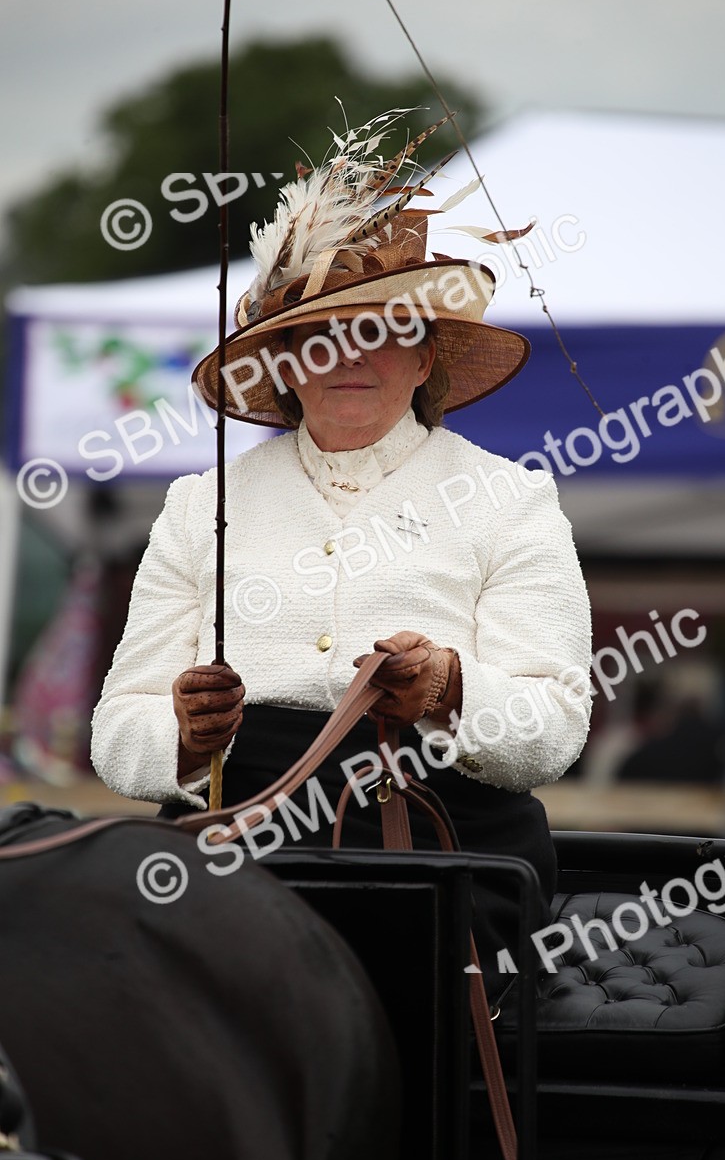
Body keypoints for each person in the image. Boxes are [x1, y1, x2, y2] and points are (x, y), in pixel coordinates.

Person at [91, 109, 592, 1002]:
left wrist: (450, 688)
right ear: (283, 360)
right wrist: (179, 734)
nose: (349, 357)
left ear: (425, 356)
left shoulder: (514, 500)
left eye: (381, 330)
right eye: (319, 336)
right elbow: (116, 730)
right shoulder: (197, 503)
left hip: (442, 845)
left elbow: (552, 729)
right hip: (231, 840)